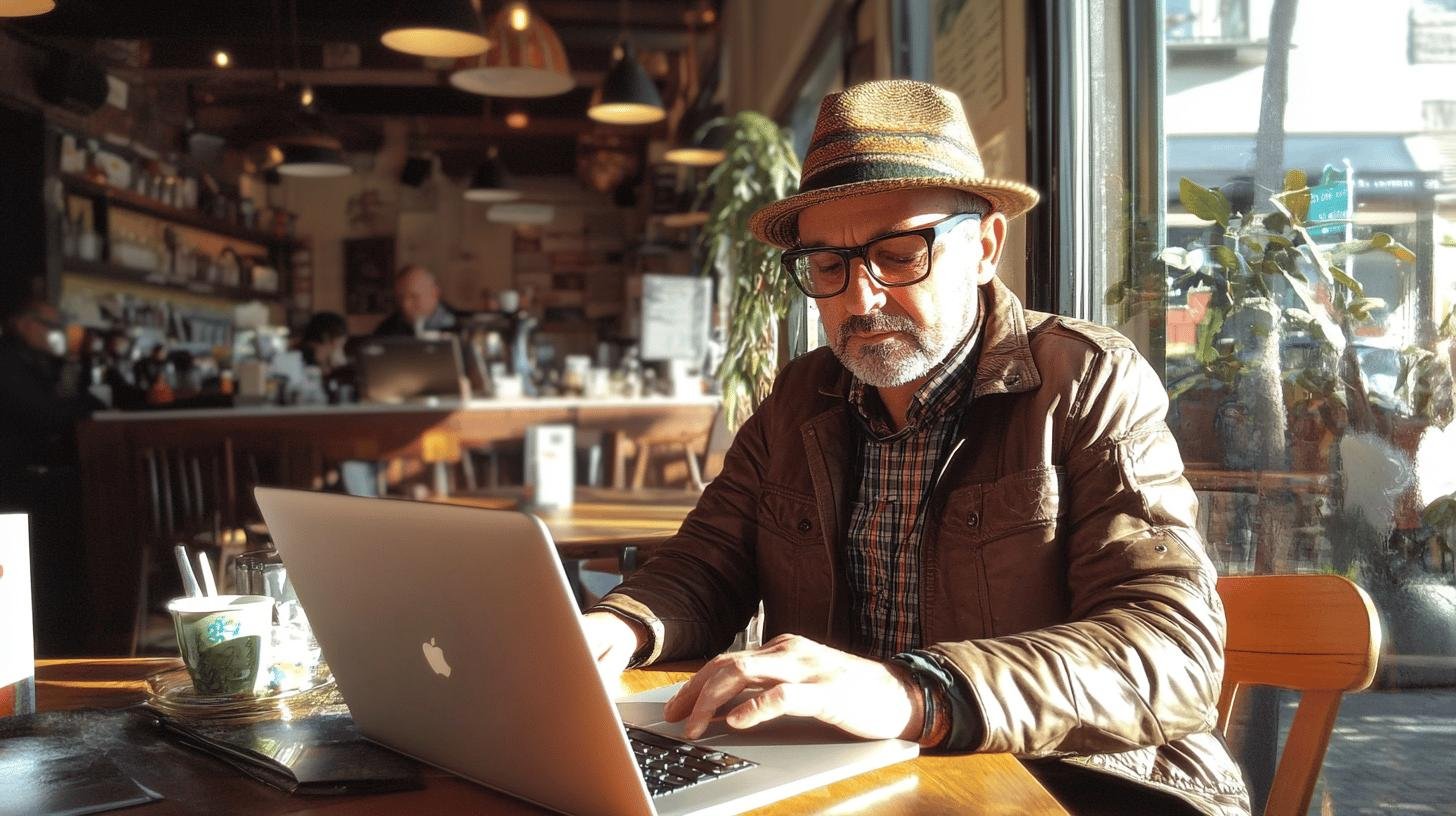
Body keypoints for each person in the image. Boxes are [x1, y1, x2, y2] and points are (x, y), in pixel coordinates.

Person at [580, 80, 1250, 816]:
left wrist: (913, 692)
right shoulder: (801, 396)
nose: (858, 300)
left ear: (986, 246)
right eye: (828, 267)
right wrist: (618, 625)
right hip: (851, 781)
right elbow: (708, 561)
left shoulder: (1086, 381)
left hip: (1069, 786)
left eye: (899, 254)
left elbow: (1174, 654)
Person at [0, 296, 103, 655]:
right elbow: (45, 414)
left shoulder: (39, 361)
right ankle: (51, 651)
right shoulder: (9, 361)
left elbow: (74, 402)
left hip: (43, 479)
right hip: (19, 484)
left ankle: (68, 646)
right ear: (25, 324)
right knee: (42, 575)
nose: (59, 333)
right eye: (52, 326)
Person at [371, 264, 468, 338]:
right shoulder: (386, 331)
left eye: (413, 296)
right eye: (400, 298)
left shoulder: (465, 327)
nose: (405, 305)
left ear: (434, 293)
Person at [296, 311, 350, 375]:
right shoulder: (298, 362)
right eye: (340, 345)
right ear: (326, 337)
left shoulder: (324, 357)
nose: (339, 349)